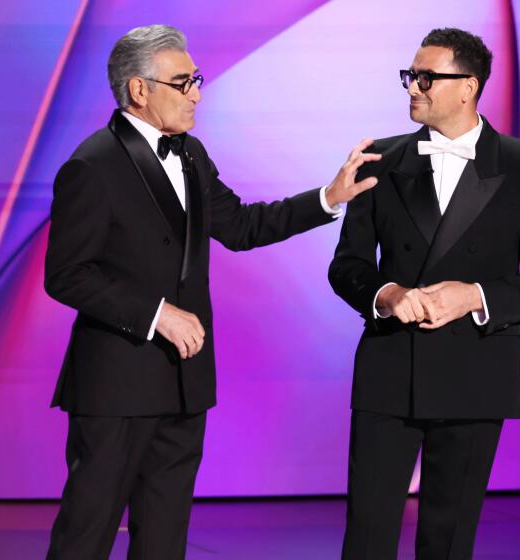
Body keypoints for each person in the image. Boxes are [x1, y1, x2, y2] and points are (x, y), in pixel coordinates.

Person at [44, 24, 379, 560]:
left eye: (196, 79)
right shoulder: (92, 164)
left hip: (184, 382)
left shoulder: (192, 154)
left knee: (164, 539)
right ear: (140, 90)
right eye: (185, 82)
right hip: (117, 386)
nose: (198, 92)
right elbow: (66, 273)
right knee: (87, 532)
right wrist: (158, 315)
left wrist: (328, 197)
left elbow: (243, 227)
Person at [329, 27, 520, 559]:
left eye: (426, 77)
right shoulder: (379, 161)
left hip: (475, 372)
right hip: (390, 369)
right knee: (366, 536)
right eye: (410, 76)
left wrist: (473, 296)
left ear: (468, 87)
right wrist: (386, 292)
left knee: (449, 539)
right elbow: (346, 267)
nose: (413, 87)